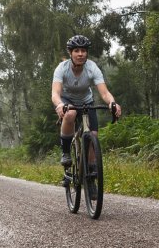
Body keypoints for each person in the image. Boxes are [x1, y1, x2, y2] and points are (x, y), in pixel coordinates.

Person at [51, 34, 122, 166]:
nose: (80, 54)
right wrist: (60, 104)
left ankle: (90, 173)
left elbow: (105, 92)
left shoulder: (92, 67)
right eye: (76, 51)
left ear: (87, 53)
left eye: (83, 51)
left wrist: (112, 103)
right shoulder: (62, 68)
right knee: (70, 113)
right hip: (67, 100)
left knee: (93, 136)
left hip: (86, 101)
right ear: (70, 53)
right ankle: (66, 152)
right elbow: (55, 93)